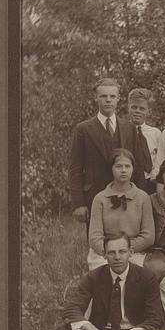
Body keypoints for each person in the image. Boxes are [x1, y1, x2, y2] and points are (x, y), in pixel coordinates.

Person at [55, 233, 164, 330]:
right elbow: (71, 309)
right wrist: (90, 329)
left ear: (131, 253)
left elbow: (156, 318)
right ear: (104, 255)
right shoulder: (94, 277)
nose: (117, 257)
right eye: (111, 253)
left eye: (122, 252)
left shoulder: (147, 278)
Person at [68, 77, 148, 232]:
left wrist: (141, 197)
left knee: (126, 242)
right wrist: (78, 203)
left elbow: (138, 166)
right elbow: (75, 169)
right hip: (95, 196)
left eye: (112, 96)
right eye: (103, 96)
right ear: (96, 98)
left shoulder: (129, 128)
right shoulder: (83, 129)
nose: (108, 100)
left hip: (127, 194)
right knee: (97, 246)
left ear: (118, 99)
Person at [87, 148, 153, 270]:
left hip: (133, 252)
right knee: (103, 274)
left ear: (133, 169)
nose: (123, 170)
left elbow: (148, 236)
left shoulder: (143, 197)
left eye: (127, 166)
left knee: (133, 274)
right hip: (105, 253)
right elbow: (94, 236)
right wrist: (110, 251)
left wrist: (125, 250)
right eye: (118, 166)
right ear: (111, 169)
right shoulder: (100, 198)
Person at [127, 87, 162, 194]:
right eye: (134, 107)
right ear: (128, 107)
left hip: (151, 182)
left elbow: (159, 159)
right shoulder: (122, 132)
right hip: (129, 182)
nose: (137, 111)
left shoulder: (156, 133)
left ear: (148, 111)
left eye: (142, 108)